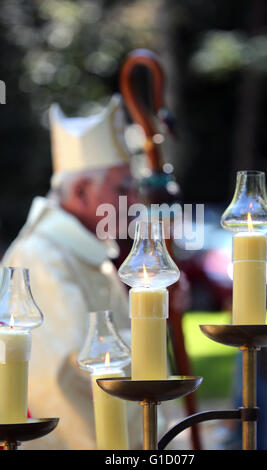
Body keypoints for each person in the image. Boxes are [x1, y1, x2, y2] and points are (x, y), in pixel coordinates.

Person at [1, 95, 142, 449]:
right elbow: (62, 377)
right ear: (81, 191)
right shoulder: (41, 257)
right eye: (123, 188)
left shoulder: (92, 254)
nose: (136, 201)